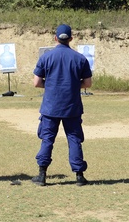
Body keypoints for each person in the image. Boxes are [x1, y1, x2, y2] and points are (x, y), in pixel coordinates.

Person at [31, 24, 93, 187]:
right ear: (71, 39)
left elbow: (37, 82)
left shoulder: (46, 57)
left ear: (55, 38)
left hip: (51, 107)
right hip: (72, 107)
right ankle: (79, 176)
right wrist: (72, 85)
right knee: (74, 140)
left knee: (47, 139)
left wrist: (51, 85)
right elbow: (87, 83)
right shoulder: (80, 58)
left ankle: (42, 175)